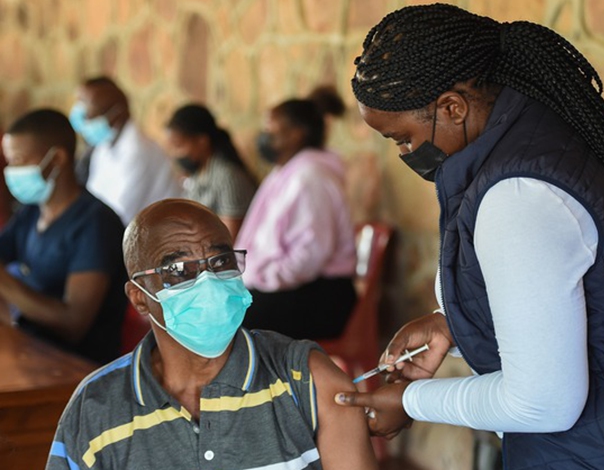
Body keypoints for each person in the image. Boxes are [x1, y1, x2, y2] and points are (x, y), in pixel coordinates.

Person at [334, 3, 604, 470]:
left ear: (452, 107)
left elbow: (543, 402)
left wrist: (412, 401)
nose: (406, 154)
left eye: (402, 139)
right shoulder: (535, 135)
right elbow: (574, 291)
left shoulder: (518, 195)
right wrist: (452, 324)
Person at [45, 199, 377, 470]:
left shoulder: (307, 383)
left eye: (220, 262)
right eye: (178, 271)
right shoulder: (96, 407)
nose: (208, 282)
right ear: (140, 298)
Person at [0, 109, 126, 364]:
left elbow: (74, 323)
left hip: (78, 370)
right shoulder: (32, 212)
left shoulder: (95, 224)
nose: (10, 171)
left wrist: (4, 283)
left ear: (56, 158)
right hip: (30, 350)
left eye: (18, 160)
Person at [236, 96, 357, 340]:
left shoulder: (310, 177)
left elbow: (310, 255)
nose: (264, 136)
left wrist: (263, 278)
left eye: (271, 129)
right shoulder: (285, 173)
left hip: (322, 297)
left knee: (235, 323)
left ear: (296, 134)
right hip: (297, 288)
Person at [69, 76, 182, 224]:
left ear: (116, 114)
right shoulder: (104, 145)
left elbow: (117, 217)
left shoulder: (138, 153)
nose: (84, 120)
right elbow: (94, 195)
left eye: (88, 113)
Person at [164, 103, 256, 239]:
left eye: (179, 146)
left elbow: (230, 238)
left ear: (202, 141)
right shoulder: (197, 173)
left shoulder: (227, 177)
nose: (175, 154)